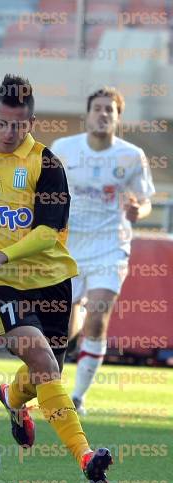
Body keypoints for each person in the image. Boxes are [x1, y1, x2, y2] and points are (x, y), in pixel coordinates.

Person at [0, 75, 113, 483]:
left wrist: (1, 251)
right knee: (46, 366)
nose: (10, 133)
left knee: (44, 373)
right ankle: (87, 458)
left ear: (31, 124)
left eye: (19, 125)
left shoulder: (47, 164)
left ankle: (13, 398)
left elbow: (50, 232)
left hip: (51, 281)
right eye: (3, 123)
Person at [51, 87, 155, 415]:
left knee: (98, 317)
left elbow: (146, 199)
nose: (103, 114)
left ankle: (78, 397)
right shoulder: (63, 149)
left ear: (118, 118)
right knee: (62, 326)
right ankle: (53, 381)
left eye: (110, 109)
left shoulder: (131, 156)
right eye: (98, 108)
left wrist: (141, 210)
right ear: (87, 114)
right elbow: (46, 192)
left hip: (110, 247)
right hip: (69, 247)